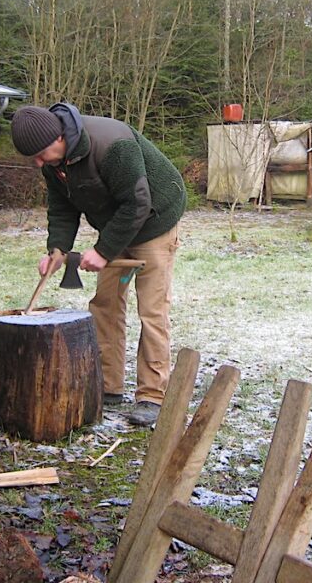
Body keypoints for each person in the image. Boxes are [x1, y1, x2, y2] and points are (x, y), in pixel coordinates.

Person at [11, 103, 186, 427]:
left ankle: (152, 396)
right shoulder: (53, 162)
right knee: (105, 304)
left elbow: (138, 202)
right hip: (117, 224)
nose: (38, 163)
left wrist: (104, 251)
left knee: (151, 310)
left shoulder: (112, 145)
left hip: (155, 220)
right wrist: (57, 249)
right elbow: (62, 208)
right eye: (32, 157)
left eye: (40, 154)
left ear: (60, 137)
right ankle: (108, 387)